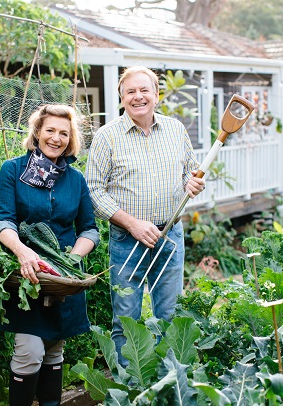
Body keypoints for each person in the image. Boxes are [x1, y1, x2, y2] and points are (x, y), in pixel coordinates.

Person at [85, 66, 205, 367]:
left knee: (171, 317)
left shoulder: (176, 130)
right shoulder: (107, 137)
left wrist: (194, 183)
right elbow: (94, 192)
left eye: (144, 90)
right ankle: (130, 387)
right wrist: (132, 224)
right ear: (121, 97)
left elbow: (190, 174)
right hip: (127, 240)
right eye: (131, 92)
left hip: (171, 238)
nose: (138, 96)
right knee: (126, 321)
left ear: (156, 94)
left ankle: (169, 384)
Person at [0, 104, 99, 406]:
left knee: (53, 350)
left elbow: (89, 230)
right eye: (50, 130)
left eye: (64, 133)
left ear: (70, 138)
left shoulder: (75, 179)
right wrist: (23, 252)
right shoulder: (12, 170)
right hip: (27, 277)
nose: (56, 138)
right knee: (30, 350)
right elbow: (3, 223)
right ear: (37, 131)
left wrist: (71, 261)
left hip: (61, 279)